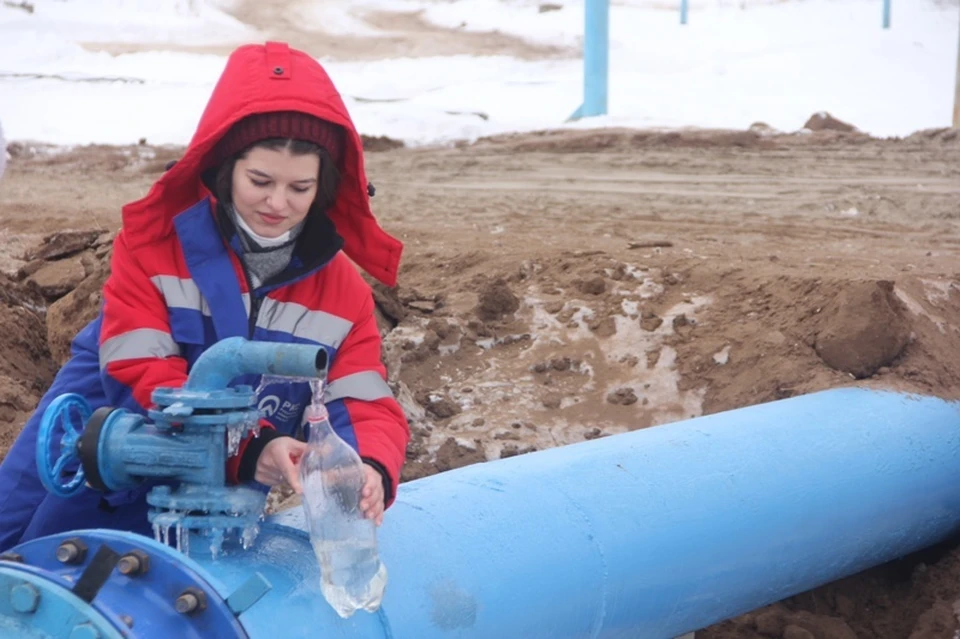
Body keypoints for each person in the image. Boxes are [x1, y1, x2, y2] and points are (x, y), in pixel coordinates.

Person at [0, 41, 409, 552]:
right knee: (23, 556)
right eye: (260, 180)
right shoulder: (155, 248)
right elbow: (139, 372)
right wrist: (249, 447)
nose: (277, 204)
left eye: (300, 188)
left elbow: (363, 402)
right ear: (225, 167)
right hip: (93, 454)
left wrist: (369, 468)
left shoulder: (342, 290)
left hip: (218, 505)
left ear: (324, 187)